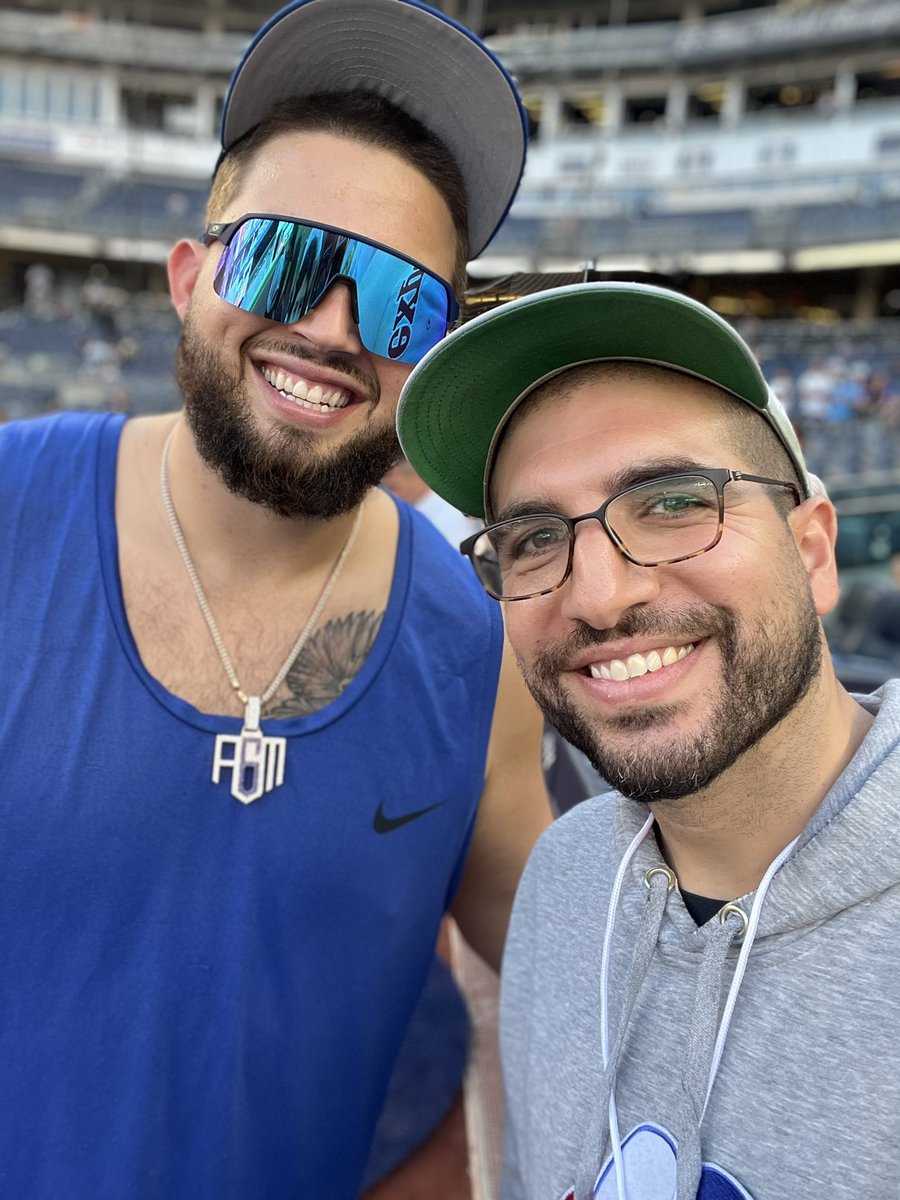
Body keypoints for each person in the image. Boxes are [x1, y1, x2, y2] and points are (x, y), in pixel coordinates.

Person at [0, 3, 550, 1197]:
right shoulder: (9, 517)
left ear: (437, 350)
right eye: (285, 259)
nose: (331, 327)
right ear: (189, 276)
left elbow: (589, 981)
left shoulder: (472, 656)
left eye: (402, 301)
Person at [397, 281, 900, 1200]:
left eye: (672, 502)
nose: (598, 595)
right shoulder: (566, 879)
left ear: (815, 552)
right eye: (534, 539)